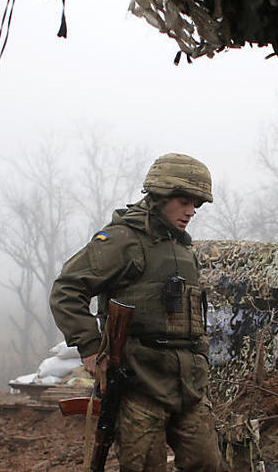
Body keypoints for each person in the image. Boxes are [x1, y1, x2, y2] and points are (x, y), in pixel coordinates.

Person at [50, 153, 225, 471]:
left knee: (208, 464)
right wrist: (90, 348)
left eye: (196, 205)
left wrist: (200, 361)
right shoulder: (123, 240)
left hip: (189, 386)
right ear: (160, 196)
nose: (190, 212)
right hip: (138, 384)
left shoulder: (182, 247)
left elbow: (193, 316)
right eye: (184, 201)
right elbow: (67, 290)